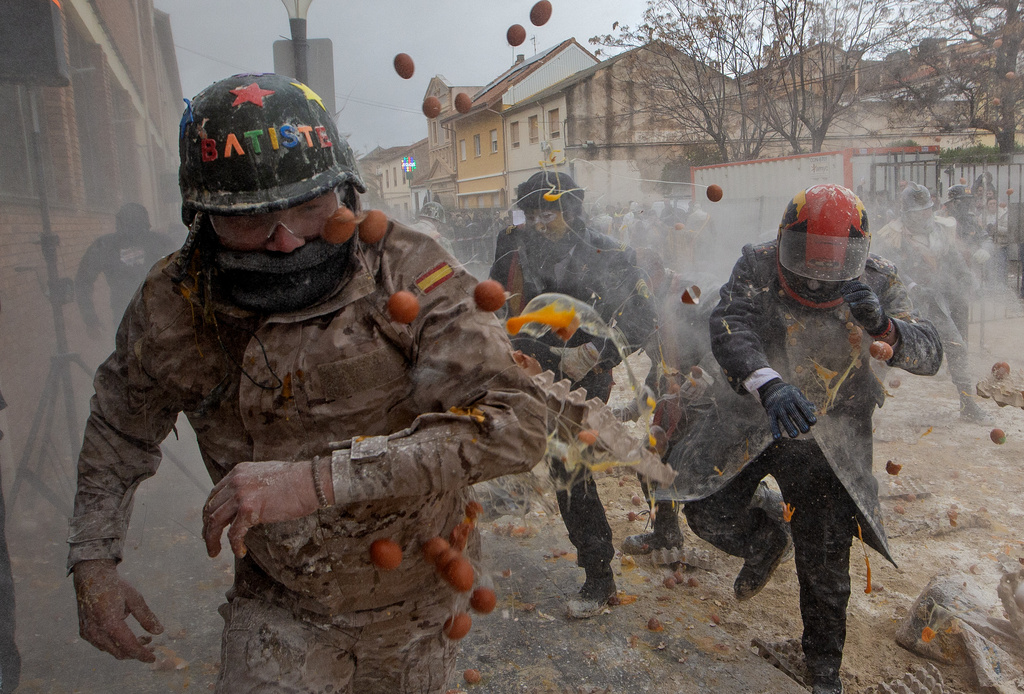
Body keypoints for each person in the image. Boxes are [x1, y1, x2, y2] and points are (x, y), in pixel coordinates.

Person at [66, 73, 549, 693]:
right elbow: (118, 426)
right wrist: (93, 561)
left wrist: (316, 481)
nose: (287, 238)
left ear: (345, 191)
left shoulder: (404, 268)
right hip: (282, 603)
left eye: (309, 208)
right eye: (254, 220)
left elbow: (517, 423)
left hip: (415, 600)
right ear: (205, 219)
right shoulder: (174, 305)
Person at [663, 185, 942, 694]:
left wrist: (885, 325)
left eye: (833, 263)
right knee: (703, 509)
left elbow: (931, 350)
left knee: (825, 563)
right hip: (754, 418)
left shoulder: (880, 279)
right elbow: (729, 323)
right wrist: (767, 382)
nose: (816, 277)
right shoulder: (758, 264)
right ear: (785, 241)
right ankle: (764, 536)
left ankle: (823, 674)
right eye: (806, 259)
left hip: (831, 442)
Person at [489, 170, 657, 618]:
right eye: (535, 211)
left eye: (553, 209)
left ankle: (599, 576)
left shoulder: (609, 253)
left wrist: (597, 354)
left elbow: (642, 318)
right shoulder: (511, 251)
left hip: (583, 379)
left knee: (571, 471)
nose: (544, 220)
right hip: (524, 373)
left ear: (573, 209)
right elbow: (495, 305)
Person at [873, 182, 990, 422]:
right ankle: (865, 407)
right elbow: (890, 268)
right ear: (906, 213)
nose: (924, 215)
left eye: (927, 209)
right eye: (918, 211)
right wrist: (914, 287)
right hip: (901, 304)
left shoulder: (940, 231)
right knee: (883, 352)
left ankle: (967, 405)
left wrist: (969, 280)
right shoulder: (892, 235)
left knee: (957, 347)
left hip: (934, 303)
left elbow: (955, 261)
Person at [74, 202, 174, 340]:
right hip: (144, 315)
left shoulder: (106, 246)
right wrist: (91, 320)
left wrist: (91, 321)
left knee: (134, 353)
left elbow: (83, 281)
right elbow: (83, 281)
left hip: (150, 315)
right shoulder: (160, 242)